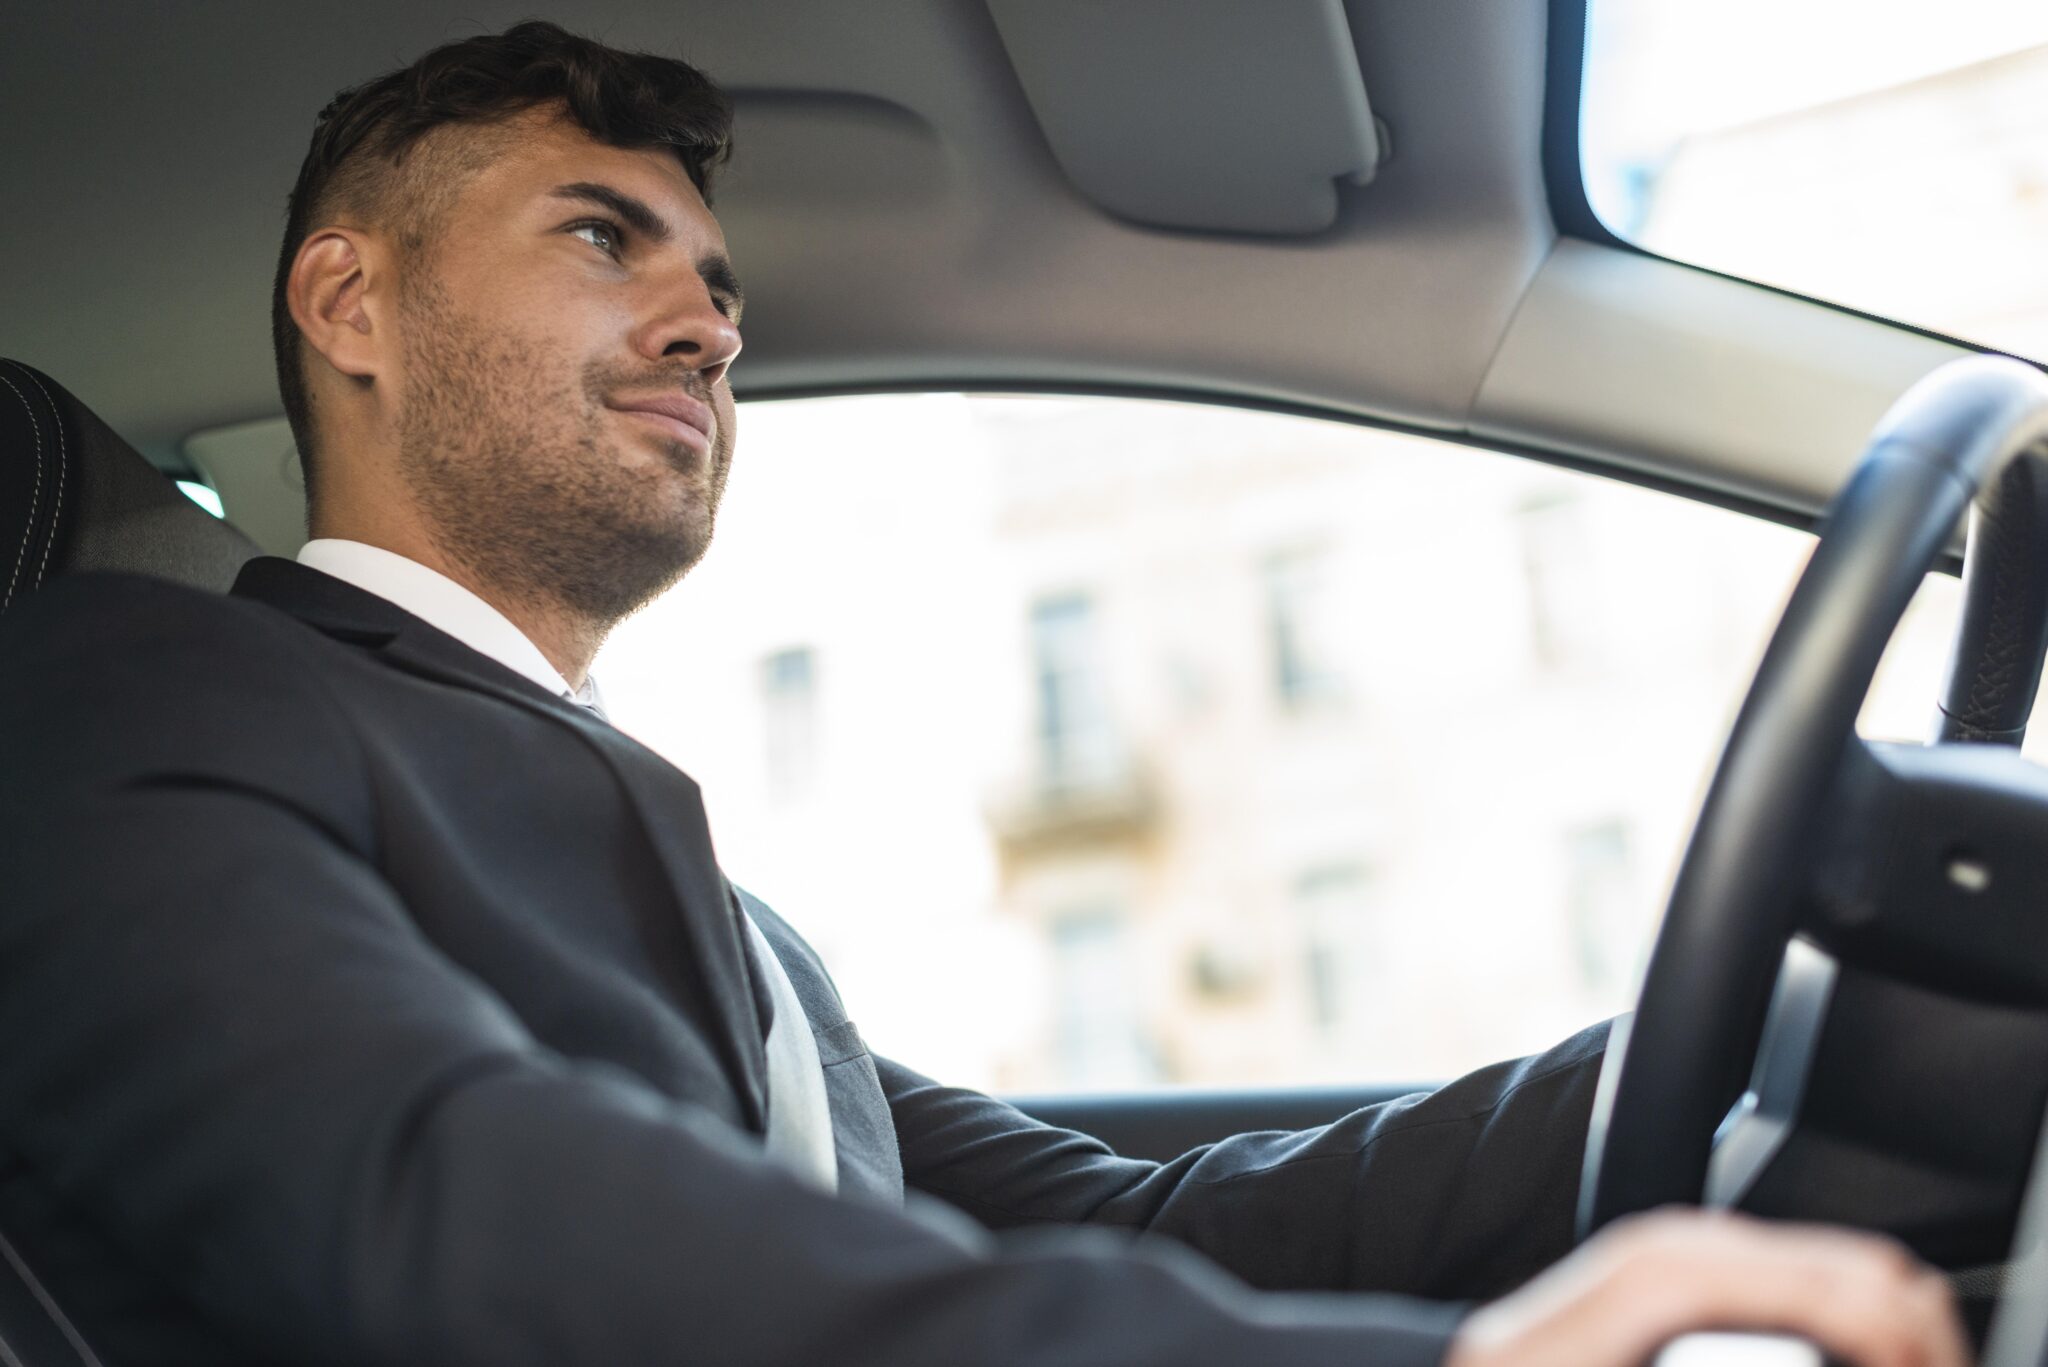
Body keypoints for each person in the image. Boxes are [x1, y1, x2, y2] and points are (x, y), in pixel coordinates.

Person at [0, 21, 1968, 1367]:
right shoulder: (122, 694)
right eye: (603, 239)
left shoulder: (735, 922)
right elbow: (444, 1191)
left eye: (717, 286)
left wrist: (1773, 1019)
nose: (705, 322)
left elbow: (1159, 1225)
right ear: (350, 306)